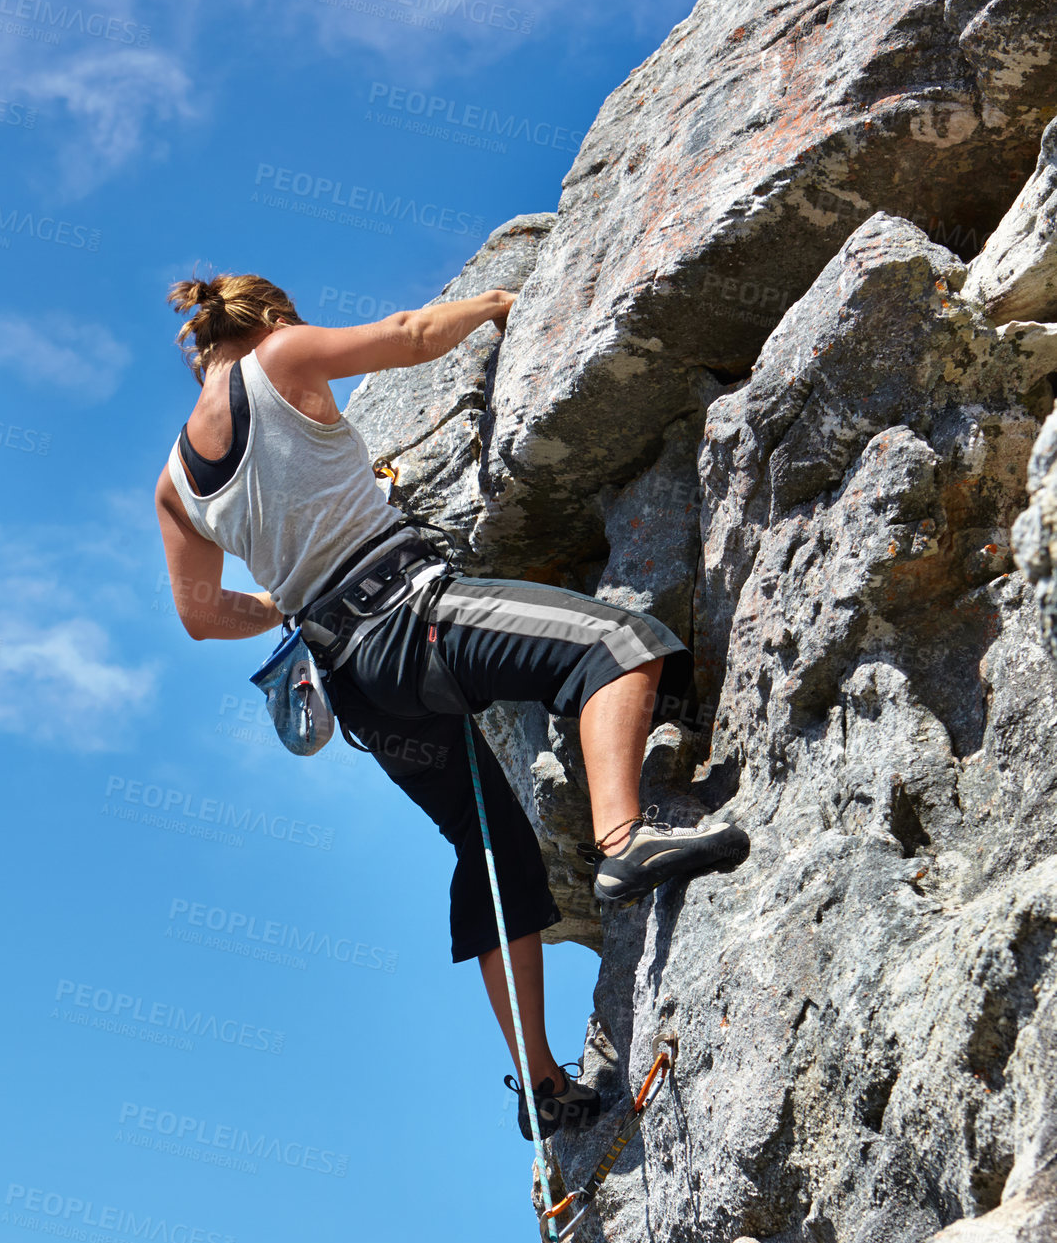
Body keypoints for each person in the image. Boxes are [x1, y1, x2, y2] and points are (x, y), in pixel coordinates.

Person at [154, 273, 748, 1141]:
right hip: (413, 617)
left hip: (356, 682)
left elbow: (200, 617)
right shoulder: (282, 356)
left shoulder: (174, 483)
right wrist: (500, 305)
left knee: (491, 847)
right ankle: (626, 840)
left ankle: (542, 1083)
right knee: (616, 647)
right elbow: (412, 332)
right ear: (276, 317)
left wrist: (283, 605)